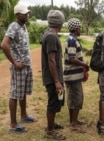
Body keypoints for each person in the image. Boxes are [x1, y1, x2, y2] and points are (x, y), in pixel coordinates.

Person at [1, 4, 35, 133]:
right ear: (17, 15)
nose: (27, 15)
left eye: (27, 13)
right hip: (18, 67)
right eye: (24, 13)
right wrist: (14, 62)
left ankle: (24, 116)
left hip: (26, 65)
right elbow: (4, 45)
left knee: (22, 91)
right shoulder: (13, 27)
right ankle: (13, 125)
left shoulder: (23, 26)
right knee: (15, 93)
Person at [40, 10, 66, 140]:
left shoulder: (49, 34)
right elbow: (51, 60)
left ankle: (52, 124)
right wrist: (56, 81)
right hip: (52, 78)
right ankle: (50, 131)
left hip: (53, 77)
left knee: (57, 101)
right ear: (60, 22)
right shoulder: (51, 37)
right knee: (53, 102)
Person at [63, 18, 89, 133]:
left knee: (72, 98)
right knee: (77, 98)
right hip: (72, 76)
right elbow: (72, 58)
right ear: (76, 28)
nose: (81, 29)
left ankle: (73, 120)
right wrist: (84, 64)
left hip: (72, 75)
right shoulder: (72, 40)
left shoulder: (72, 39)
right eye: (80, 27)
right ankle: (74, 123)